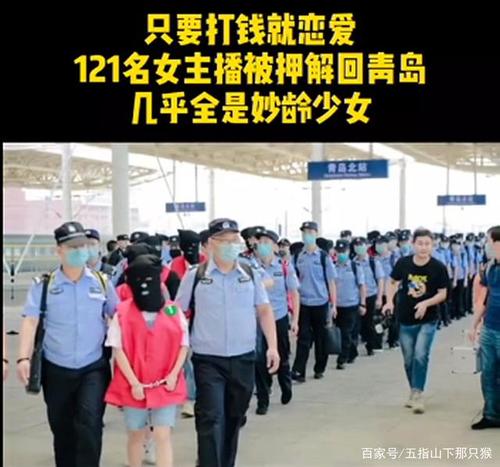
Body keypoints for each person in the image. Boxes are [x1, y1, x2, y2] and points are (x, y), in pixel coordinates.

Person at [175, 218, 279, 467]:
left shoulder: (249, 274)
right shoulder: (196, 275)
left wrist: (273, 347)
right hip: (208, 360)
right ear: (211, 244)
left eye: (235, 240)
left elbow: (264, 310)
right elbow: (177, 313)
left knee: (234, 417)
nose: (232, 245)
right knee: (210, 418)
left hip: (243, 358)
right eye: (225, 241)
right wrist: (178, 348)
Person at [16, 221, 119, 467]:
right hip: (56, 368)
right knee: (62, 428)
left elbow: (118, 316)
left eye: (83, 245)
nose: (80, 251)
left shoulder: (101, 282)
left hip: (93, 366)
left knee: (90, 423)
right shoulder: (44, 285)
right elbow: (30, 321)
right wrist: (23, 357)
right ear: (59, 250)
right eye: (73, 247)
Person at [105, 254, 189, 467]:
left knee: (163, 434)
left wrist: (174, 374)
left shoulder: (172, 310)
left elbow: (183, 344)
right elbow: (118, 349)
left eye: (149, 279)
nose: (144, 285)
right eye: (138, 280)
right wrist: (134, 382)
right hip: (133, 384)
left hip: (166, 383)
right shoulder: (122, 313)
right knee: (136, 433)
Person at [382, 228, 448, 414]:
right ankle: (413, 390)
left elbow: (443, 293)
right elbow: (392, 282)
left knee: (420, 354)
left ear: (432, 245)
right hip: (405, 318)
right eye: (420, 243)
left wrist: (426, 303)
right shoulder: (403, 263)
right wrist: (389, 301)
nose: (423, 247)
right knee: (409, 359)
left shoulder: (438, 267)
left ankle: (418, 393)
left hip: (428, 319)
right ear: (413, 244)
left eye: (427, 244)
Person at [254, 229, 300, 415]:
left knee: (282, 355)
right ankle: (263, 400)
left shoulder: (284, 267)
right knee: (259, 360)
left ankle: (285, 385)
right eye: (260, 242)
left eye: (266, 242)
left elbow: (294, 294)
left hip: (279, 317)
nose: (262, 245)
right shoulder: (252, 267)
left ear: (274, 246)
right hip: (258, 320)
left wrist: (295, 320)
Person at [291, 221, 337, 382]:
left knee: (320, 338)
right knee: (303, 338)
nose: (307, 235)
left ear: (316, 234)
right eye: (305, 232)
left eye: (310, 232)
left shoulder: (323, 257)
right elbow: (293, 279)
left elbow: (331, 282)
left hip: (321, 303)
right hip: (304, 303)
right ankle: (299, 371)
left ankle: (319, 368)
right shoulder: (298, 256)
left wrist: (333, 305)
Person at [170, 229, 207, 419]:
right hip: (182, 318)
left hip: (203, 319)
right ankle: (189, 399)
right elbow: (171, 298)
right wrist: (171, 318)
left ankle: (201, 393)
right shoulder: (174, 265)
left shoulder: (205, 263)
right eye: (187, 246)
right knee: (184, 359)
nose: (191, 250)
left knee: (199, 359)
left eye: (195, 246)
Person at [468, 225, 500, 430]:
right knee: (488, 373)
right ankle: (491, 415)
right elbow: (484, 300)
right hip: (489, 329)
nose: (486, 245)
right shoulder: (490, 268)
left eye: (489, 241)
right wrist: (474, 325)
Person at [333, 239, 366, 369]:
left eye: (344, 251)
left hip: (351, 305)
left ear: (348, 251)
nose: (341, 254)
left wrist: (363, 304)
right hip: (337, 306)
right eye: (339, 251)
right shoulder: (332, 267)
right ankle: (352, 352)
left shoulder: (355, 266)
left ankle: (342, 358)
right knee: (342, 332)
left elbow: (362, 286)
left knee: (346, 332)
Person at [352, 236, 385, 356]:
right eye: (356, 245)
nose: (359, 247)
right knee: (357, 325)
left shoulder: (373, 262)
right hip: (356, 298)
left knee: (370, 323)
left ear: (366, 246)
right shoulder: (352, 263)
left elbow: (380, 280)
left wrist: (379, 298)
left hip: (371, 295)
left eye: (361, 245)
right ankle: (353, 350)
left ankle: (371, 346)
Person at [450, 236, 468, 320]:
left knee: (459, 296)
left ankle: (459, 313)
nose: (455, 247)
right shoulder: (450, 254)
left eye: (457, 245)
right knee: (452, 297)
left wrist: (465, 279)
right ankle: (453, 313)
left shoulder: (463, 254)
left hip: (460, 277)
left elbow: (466, 267)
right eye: (454, 245)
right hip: (452, 278)